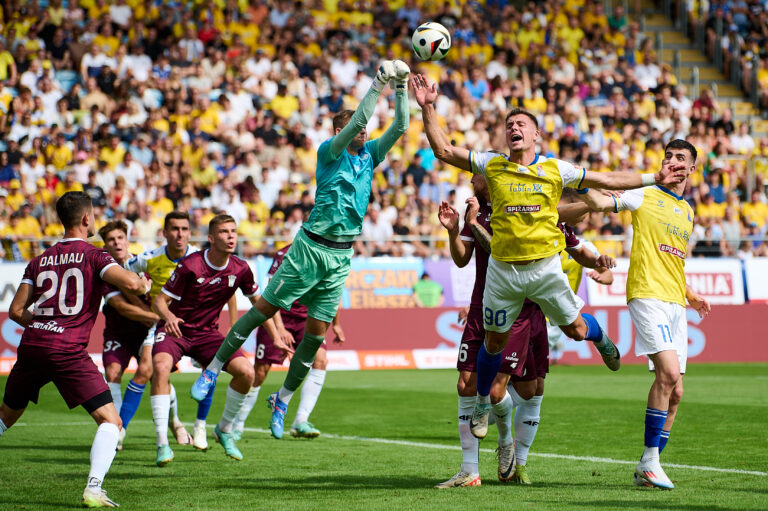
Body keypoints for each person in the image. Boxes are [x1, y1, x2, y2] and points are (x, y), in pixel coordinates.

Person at [411, 73, 685, 440]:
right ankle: (480, 405)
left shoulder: (556, 168)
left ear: (536, 135)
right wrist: (428, 107)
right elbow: (444, 151)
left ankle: (602, 340)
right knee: (492, 344)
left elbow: (606, 180)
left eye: (521, 124)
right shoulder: (492, 164)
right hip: (503, 273)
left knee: (575, 330)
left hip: (544, 270)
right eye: (509, 124)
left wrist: (655, 176)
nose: (514, 128)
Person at [190, 60, 411, 440]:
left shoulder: (370, 156)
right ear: (341, 131)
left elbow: (402, 127)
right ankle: (213, 367)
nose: (365, 132)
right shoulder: (329, 152)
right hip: (309, 248)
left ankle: (283, 399)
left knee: (314, 338)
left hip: (341, 256)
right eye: (357, 128)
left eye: (365, 130)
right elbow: (359, 121)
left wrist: (403, 88)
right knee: (264, 310)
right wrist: (378, 84)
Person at [0, 191, 149, 508]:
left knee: (6, 416)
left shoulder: (39, 259)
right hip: (67, 349)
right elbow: (133, 285)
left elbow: (15, 311)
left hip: (33, 343)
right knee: (111, 421)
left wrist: (44, 325)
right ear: (85, 218)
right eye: (93, 215)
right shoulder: (95, 256)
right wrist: (145, 284)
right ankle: (94, 488)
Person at [578, 140, 711, 489]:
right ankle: (650, 462)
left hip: (675, 302)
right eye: (668, 156)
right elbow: (603, 201)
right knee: (667, 374)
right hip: (647, 294)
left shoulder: (688, 211)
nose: (673, 162)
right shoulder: (645, 192)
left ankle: (646, 469)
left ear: (692, 168)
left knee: (677, 391)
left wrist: (691, 295)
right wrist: (581, 181)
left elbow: (674, 260)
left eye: (681, 158)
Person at [150, 214, 271, 465]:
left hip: (207, 334)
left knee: (246, 372)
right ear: (211, 238)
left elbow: (259, 304)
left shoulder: (240, 268)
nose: (230, 237)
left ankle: (224, 429)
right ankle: (162, 443)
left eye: (234, 232)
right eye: (225, 232)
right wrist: (169, 317)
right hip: (176, 330)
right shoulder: (190, 265)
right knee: (160, 368)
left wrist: (277, 334)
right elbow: (159, 301)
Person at [229, 243, 346, 440]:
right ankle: (237, 423)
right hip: (278, 314)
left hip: (308, 317)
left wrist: (336, 324)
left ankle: (300, 420)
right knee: (260, 373)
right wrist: (280, 328)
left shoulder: (332, 253)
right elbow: (272, 291)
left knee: (321, 360)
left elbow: (334, 292)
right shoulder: (287, 253)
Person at [123, 211, 206, 449]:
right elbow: (124, 275)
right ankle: (122, 429)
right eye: (174, 229)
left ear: (190, 232)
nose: (180, 234)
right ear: (165, 232)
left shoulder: (201, 258)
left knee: (214, 370)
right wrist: (140, 298)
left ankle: (197, 426)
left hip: (198, 326)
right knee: (150, 369)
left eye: (184, 229)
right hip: (163, 326)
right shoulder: (149, 258)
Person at [98, 221, 159, 451]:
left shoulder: (145, 264)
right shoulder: (105, 271)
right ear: (106, 245)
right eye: (111, 240)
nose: (117, 243)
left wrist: (155, 319)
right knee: (112, 372)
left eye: (120, 237)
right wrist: (153, 317)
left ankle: (174, 424)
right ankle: (116, 430)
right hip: (119, 332)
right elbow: (122, 307)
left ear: (127, 239)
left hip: (146, 334)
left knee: (158, 375)